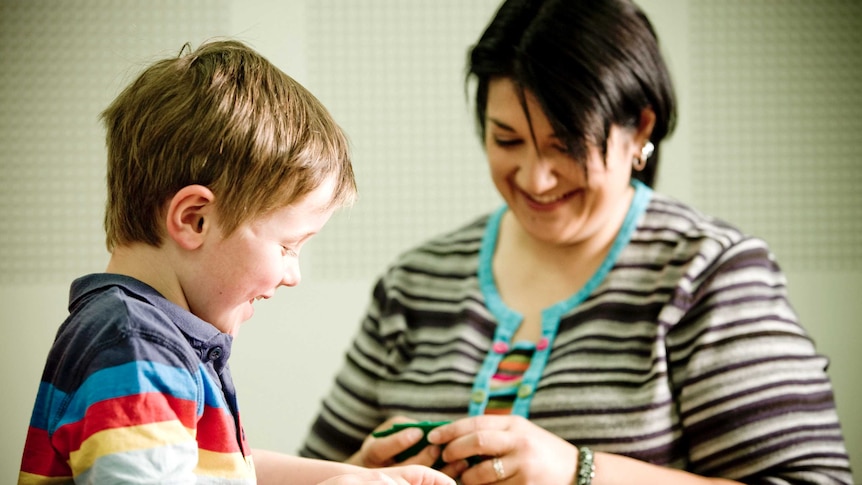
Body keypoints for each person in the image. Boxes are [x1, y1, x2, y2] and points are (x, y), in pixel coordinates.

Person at [299, 0, 854, 484]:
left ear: (639, 129)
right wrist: (357, 471)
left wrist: (579, 472)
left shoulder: (705, 274)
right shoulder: (417, 283)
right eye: (507, 139)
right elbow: (300, 472)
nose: (535, 178)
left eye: (566, 144)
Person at [17, 39, 454, 485]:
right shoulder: (134, 344)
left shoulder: (151, 339)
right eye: (287, 246)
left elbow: (225, 470)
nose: (292, 276)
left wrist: (352, 476)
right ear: (195, 220)